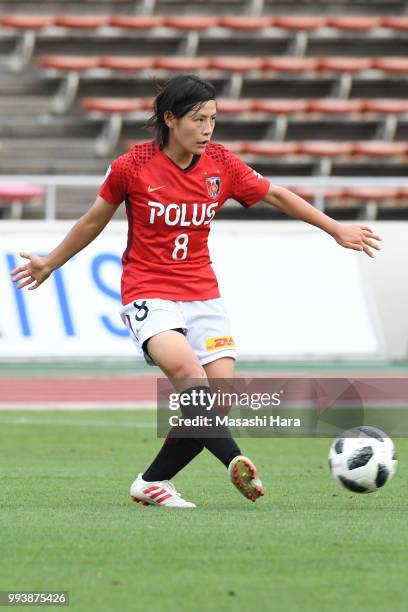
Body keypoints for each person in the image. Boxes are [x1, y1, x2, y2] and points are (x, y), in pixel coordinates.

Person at [10, 74, 381, 508]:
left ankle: (152, 482)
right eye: (198, 119)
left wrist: (336, 228)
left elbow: (276, 196)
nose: (207, 129)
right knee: (189, 376)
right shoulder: (132, 166)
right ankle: (234, 459)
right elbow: (93, 220)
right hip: (147, 290)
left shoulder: (221, 164)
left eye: (213, 120)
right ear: (170, 119)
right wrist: (51, 262)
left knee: (218, 397)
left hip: (202, 292)